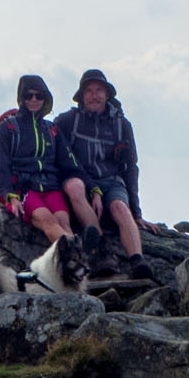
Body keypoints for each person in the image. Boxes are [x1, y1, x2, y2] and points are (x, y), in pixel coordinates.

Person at [53, 69, 159, 279]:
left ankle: (137, 261)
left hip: (112, 182)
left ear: (108, 94)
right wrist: (93, 189)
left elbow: (131, 167)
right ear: (82, 96)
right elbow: (59, 155)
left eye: (99, 90)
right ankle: (102, 249)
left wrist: (136, 212)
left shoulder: (121, 125)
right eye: (89, 91)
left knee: (120, 207)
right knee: (74, 188)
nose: (95, 95)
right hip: (81, 180)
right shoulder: (68, 121)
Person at [0, 75, 75, 246]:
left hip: (51, 187)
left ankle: (75, 264)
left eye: (39, 96)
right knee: (48, 221)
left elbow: (68, 163)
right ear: (21, 98)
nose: (34, 100)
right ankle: (79, 261)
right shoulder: (7, 128)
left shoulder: (51, 129)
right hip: (23, 189)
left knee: (64, 223)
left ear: (46, 98)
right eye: (29, 96)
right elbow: (2, 166)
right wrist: (9, 195)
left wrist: (91, 188)